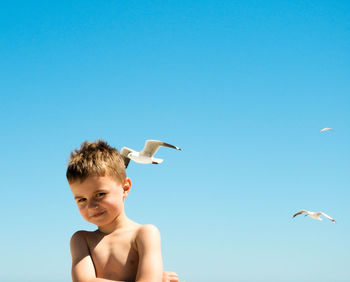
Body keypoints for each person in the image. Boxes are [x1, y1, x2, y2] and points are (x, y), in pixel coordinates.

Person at [67, 140, 179, 282]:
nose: (91, 206)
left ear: (125, 188)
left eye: (100, 194)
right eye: (82, 200)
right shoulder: (81, 239)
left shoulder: (144, 234)